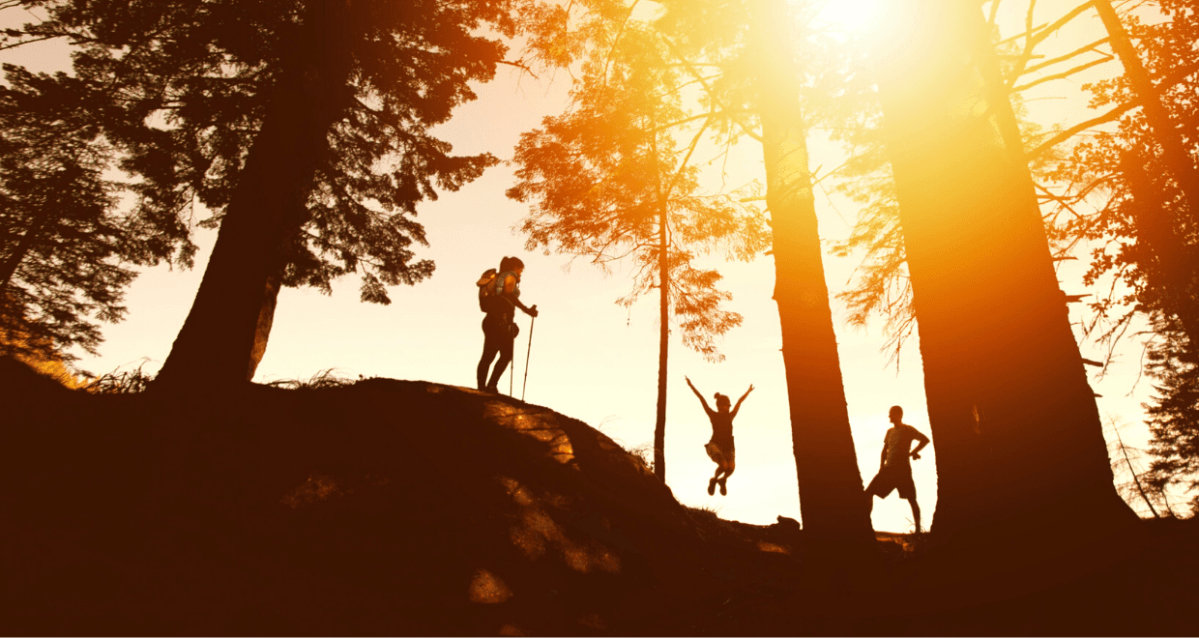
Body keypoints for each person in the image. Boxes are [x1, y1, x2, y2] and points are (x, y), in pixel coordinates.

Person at [477, 256, 538, 393]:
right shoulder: (510, 275)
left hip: (492, 320)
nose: (521, 273)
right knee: (505, 355)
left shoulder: (498, 277)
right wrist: (527, 310)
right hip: (500, 322)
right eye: (520, 270)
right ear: (515, 267)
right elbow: (509, 294)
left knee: (489, 355)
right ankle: (490, 386)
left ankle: (482, 388)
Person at [865, 405, 931, 533]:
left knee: (912, 499)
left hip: (903, 471)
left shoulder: (908, 429)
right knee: (868, 493)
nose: (889, 416)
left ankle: (918, 530)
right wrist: (881, 466)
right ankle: (866, 525)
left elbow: (925, 440)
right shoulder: (889, 432)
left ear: (899, 415)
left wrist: (913, 452)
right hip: (888, 470)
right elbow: (885, 450)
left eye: (891, 414)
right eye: (889, 414)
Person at [685, 376, 753, 496]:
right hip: (715, 444)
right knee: (724, 465)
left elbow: (739, 402)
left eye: (725, 406)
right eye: (721, 406)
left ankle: (722, 480)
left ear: (727, 406)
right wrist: (691, 386)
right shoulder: (713, 415)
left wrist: (748, 391)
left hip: (729, 446)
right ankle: (714, 480)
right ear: (718, 406)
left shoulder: (730, 416)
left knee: (731, 468)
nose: (723, 408)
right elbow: (702, 399)